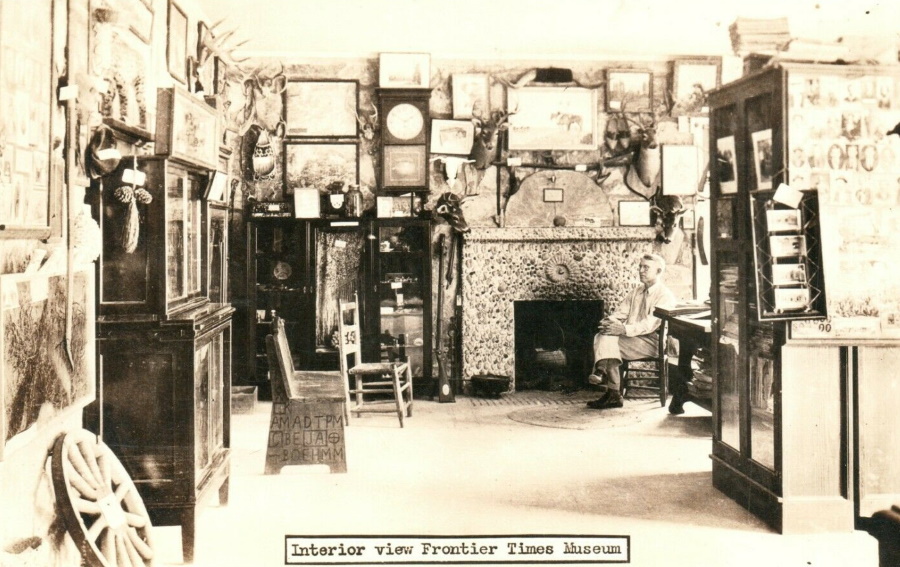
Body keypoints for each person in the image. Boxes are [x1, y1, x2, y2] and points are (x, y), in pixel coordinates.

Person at [586, 253, 676, 410]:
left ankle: (608, 382)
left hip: (652, 342)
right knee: (604, 335)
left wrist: (623, 329)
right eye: (640, 267)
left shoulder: (665, 296)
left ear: (658, 271)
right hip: (632, 338)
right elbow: (620, 312)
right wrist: (609, 322)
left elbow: (649, 325)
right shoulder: (636, 292)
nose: (641, 270)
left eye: (645, 267)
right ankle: (611, 389)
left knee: (606, 340)